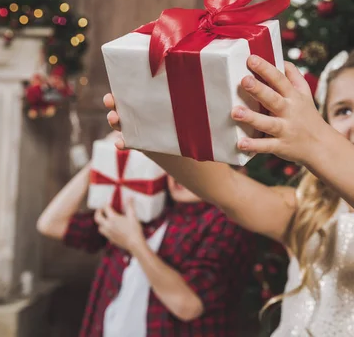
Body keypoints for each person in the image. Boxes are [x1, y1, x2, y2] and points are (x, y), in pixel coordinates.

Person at [103, 44, 354, 336]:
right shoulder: (303, 210)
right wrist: (150, 130)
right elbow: (229, 190)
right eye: (343, 111)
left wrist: (316, 142)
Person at [36, 144, 254, 337]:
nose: (182, 174)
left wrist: (134, 242)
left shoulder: (225, 223)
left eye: (198, 165)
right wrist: (101, 159)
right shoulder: (148, 205)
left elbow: (188, 305)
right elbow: (51, 224)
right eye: (178, 162)